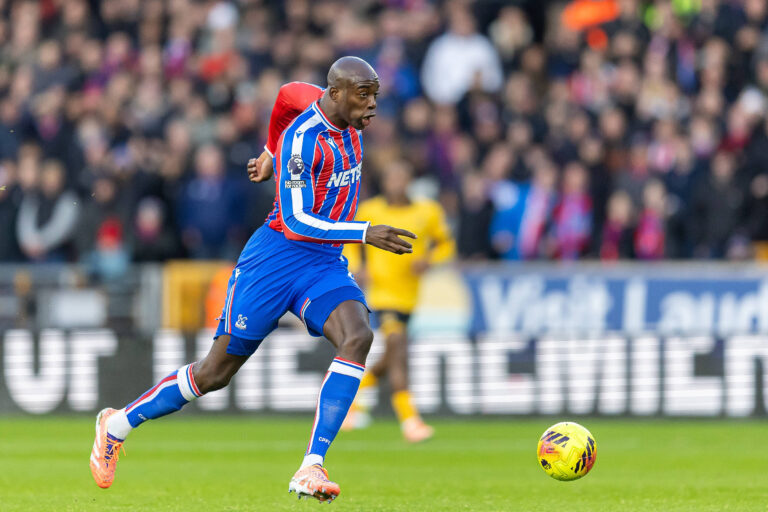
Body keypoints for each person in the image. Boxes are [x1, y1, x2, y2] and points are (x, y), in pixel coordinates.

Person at [89, 57, 417, 503]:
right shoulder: (303, 141)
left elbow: (285, 94)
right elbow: (298, 222)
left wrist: (266, 150)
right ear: (337, 94)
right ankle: (117, 424)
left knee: (358, 336)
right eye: (364, 94)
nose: (373, 104)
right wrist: (365, 232)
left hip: (323, 263)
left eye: (374, 94)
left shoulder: (324, 105)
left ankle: (311, 465)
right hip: (275, 261)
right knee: (214, 374)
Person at [340, 159, 454, 442]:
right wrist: (358, 267)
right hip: (382, 294)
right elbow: (350, 240)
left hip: (410, 296)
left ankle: (349, 400)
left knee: (390, 355)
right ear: (384, 182)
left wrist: (430, 260)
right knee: (398, 348)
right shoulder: (371, 210)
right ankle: (410, 420)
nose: (396, 184)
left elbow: (446, 244)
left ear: (410, 181)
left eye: (401, 178)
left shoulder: (428, 211)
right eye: (391, 178)